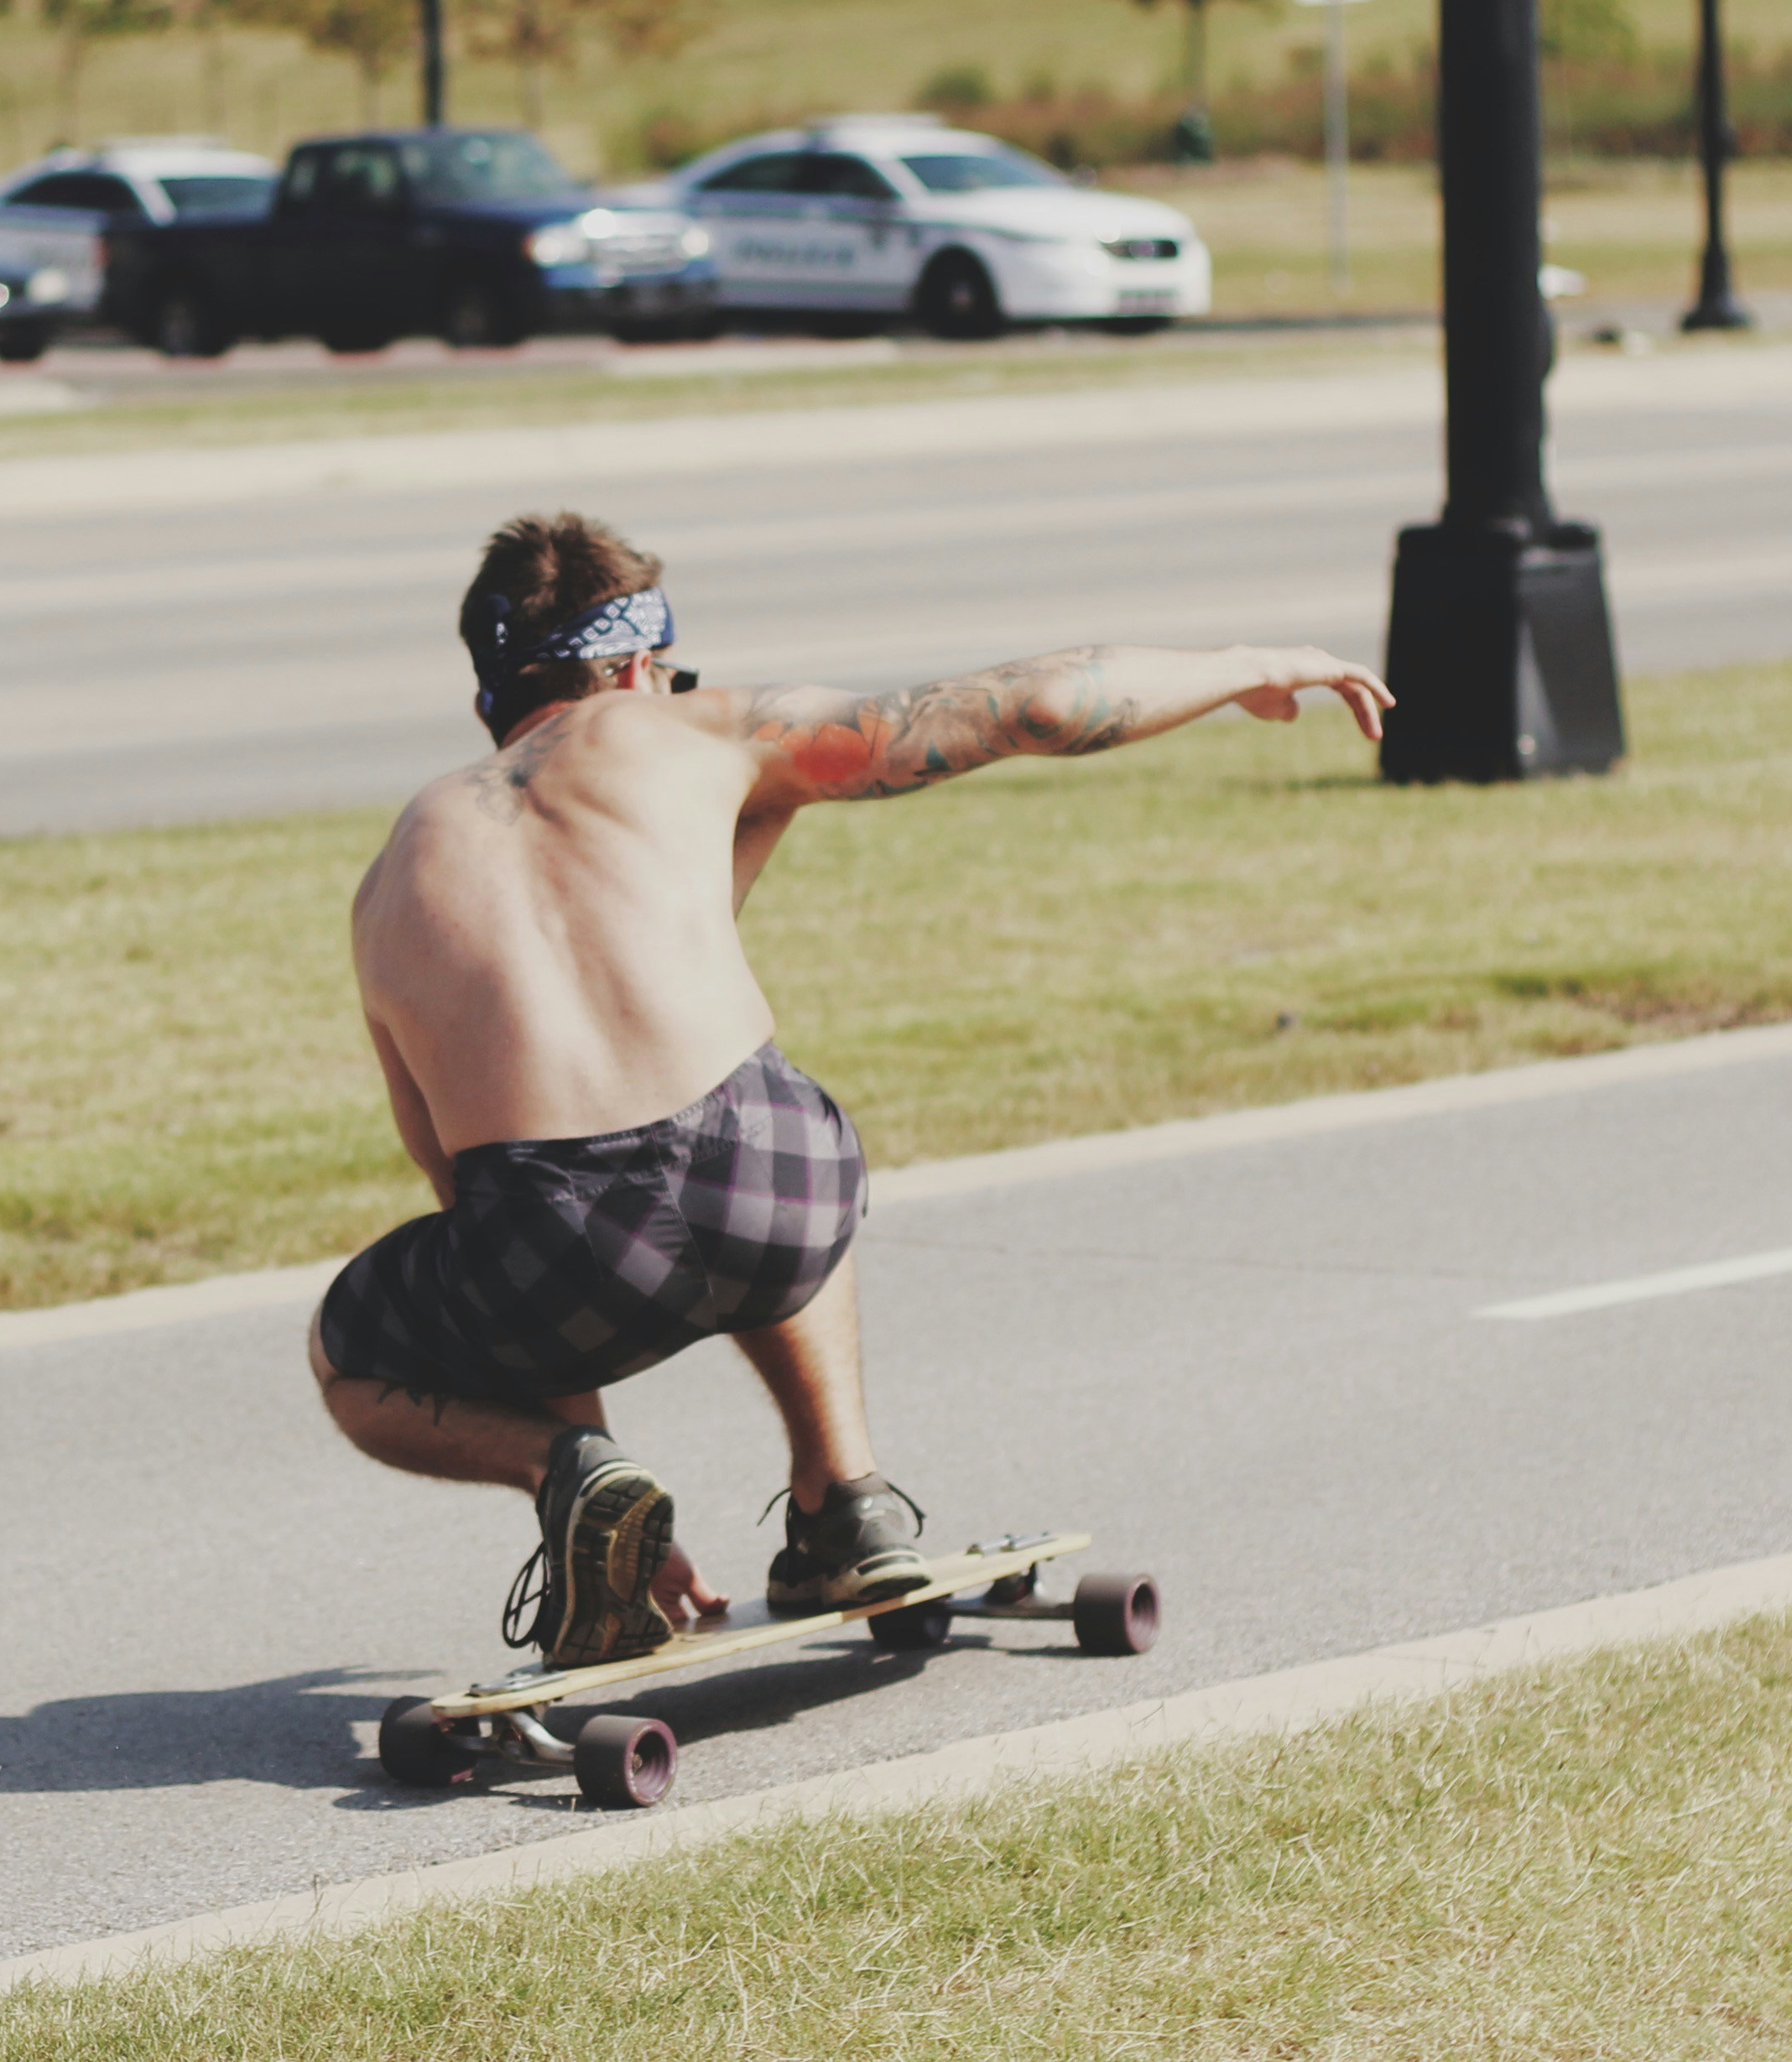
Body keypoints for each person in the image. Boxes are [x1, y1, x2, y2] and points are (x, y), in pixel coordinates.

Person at [314, 512, 1393, 1667]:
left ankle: (568, 1478)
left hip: (558, 1237)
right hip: (775, 1180)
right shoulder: (699, 731)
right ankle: (846, 1496)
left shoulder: (391, 879)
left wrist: (583, 1477)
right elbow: (1024, 705)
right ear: (637, 667)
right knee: (756, 1125)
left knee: (352, 1352)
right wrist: (1249, 665)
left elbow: (471, 1198)